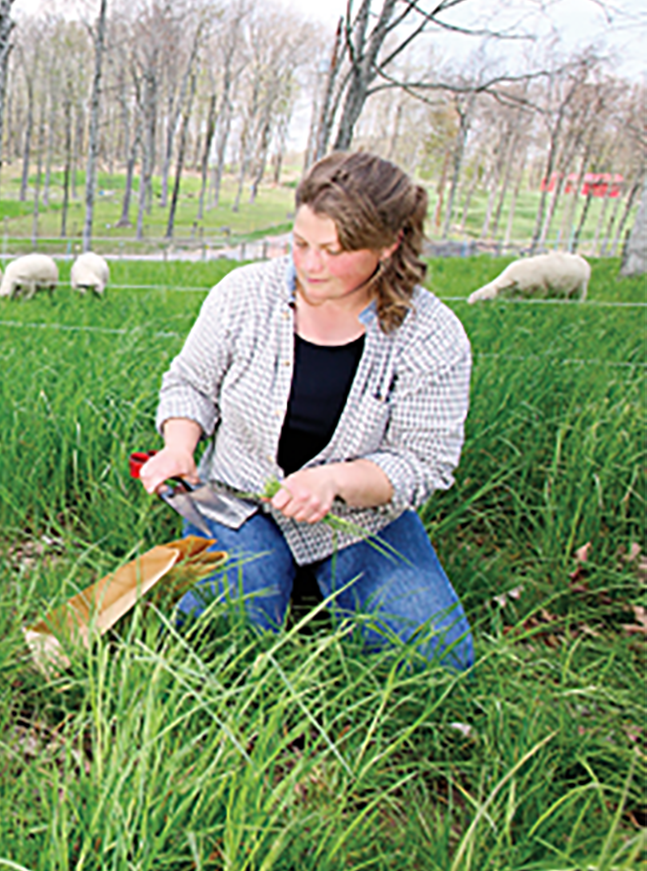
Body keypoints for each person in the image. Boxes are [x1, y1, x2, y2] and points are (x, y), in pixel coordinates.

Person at [138, 151, 474, 670]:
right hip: (237, 500)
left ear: (389, 245)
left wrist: (335, 482)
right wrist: (180, 447)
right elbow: (190, 384)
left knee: (433, 657)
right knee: (226, 635)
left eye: (335, 251)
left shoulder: (431, 334)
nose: (311, 265)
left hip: (361, 520)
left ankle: (314, 574)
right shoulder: (244, 294)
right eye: (301, 244)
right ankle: (271, 572)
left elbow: (422, 462)